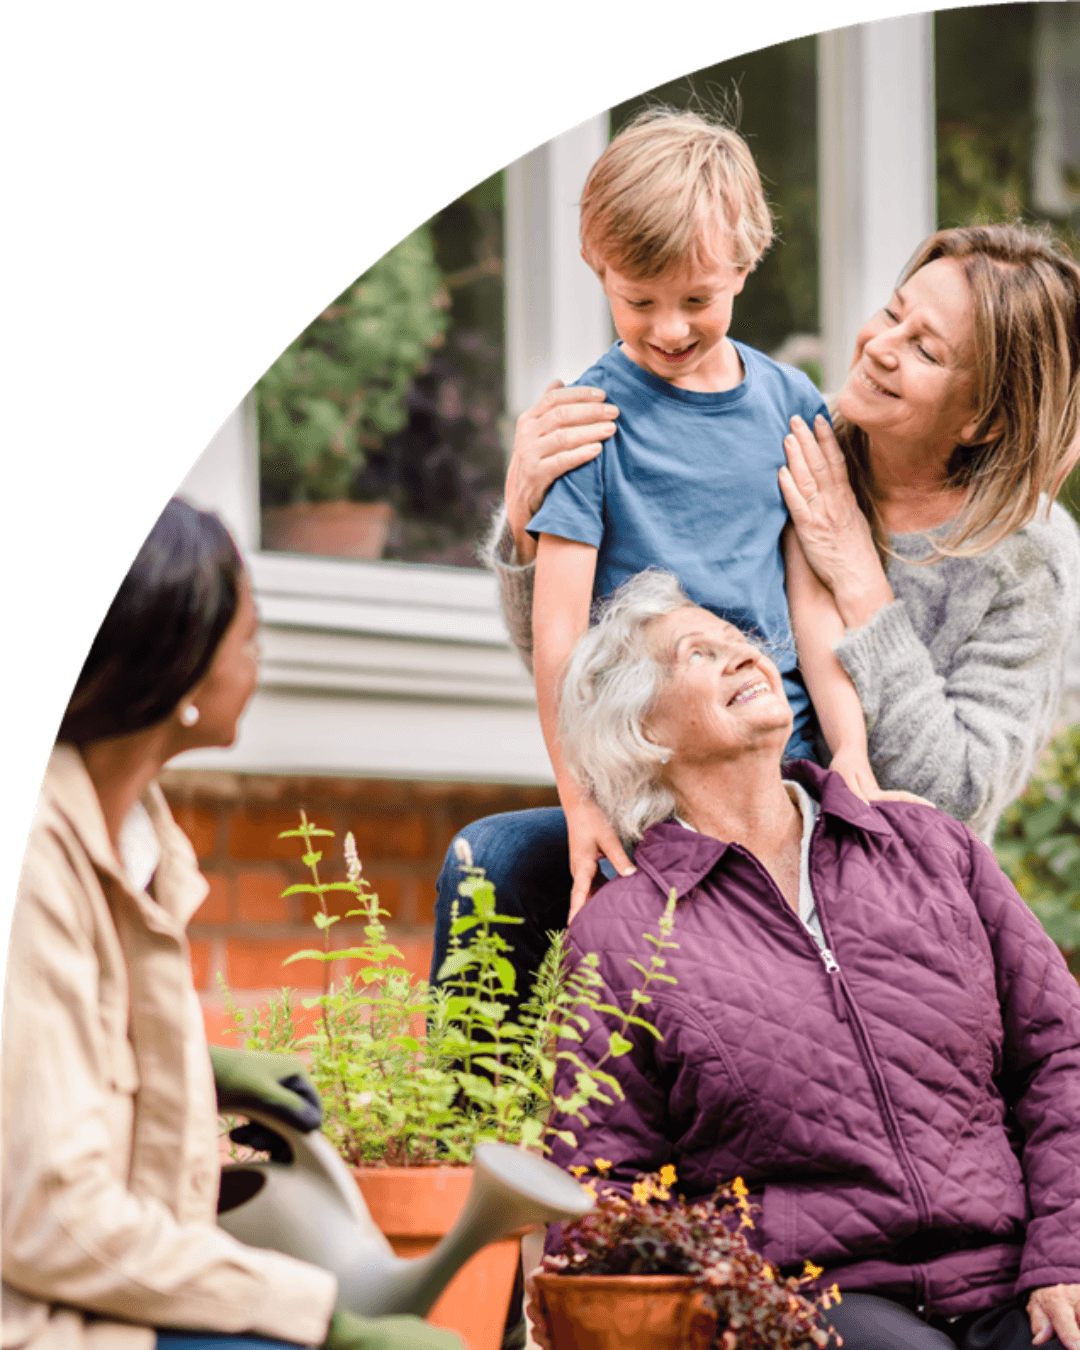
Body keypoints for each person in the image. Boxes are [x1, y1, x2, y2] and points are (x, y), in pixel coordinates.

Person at [430, 220, 1080, 1024]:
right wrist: (531, 521)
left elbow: (952, 796)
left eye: (926, 351)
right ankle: (470, 1146)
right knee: (491, 863)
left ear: (983, 417)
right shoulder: (785, 433)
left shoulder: (1032, 554)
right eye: (892, 313)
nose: (881, 345)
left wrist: (858, 575)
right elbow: (580, 654)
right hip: (686, 796)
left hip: (867, 856)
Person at [536, 568, 1080, 1350]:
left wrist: (1064, 1255)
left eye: (742, 645)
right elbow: (602, 1187)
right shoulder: (622, 937)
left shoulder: (930, 849)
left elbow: (1062, 1054)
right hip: (814, 1300)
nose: (741, 657)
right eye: (696, 653)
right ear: (645, 731)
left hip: (1016, 1273)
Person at [2, 499, 462, 1350]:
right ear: (174, 666)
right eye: (247, 638)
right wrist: (327, 1321)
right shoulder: (33, 863)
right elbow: (48, 1222)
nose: (260, 660)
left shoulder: (136, 836)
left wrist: (194, 1070)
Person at [526, 106, 881, 930]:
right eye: (637, 300)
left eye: (697, 297)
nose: (669, 328)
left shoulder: (789, 404)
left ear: (746, 264)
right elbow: (558, 637)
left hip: (782, 755)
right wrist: (580, 801)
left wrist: (851, 750)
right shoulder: (588, 422)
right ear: (597, 266)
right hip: (653, 771)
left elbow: (810, 601)